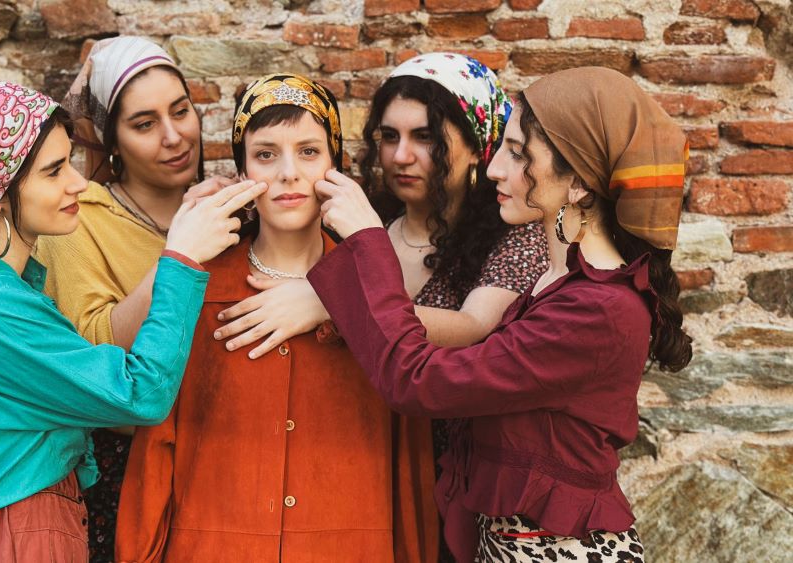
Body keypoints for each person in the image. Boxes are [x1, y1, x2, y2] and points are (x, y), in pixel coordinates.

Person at [307, 67, 692, 562]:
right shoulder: (559, 281)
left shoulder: (599, 308)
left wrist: (367, 241)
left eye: (518, 153)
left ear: (577, 183)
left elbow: (416, 380)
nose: (493, 169)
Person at [0, 81, 264, 562]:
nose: (78, 183)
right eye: (54, 171)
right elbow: (139, 395)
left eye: (71, 164)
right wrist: (181, 259)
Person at [212, 54, 548, 561]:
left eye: (425, 137)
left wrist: (331, 303)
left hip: (471, 473)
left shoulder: (513, 233)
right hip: (375, 464)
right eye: (389, 137)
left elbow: (477, 326)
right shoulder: (365, 224)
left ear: (478, 143)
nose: (401, 156)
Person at [115, 73, 437, 563]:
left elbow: (409, 458)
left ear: (335, 165)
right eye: (266, 154)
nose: (288, 172)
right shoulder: (198, 290)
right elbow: (156, 444)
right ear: (243, 171)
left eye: (308, 152)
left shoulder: (376, 291)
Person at [33, 37, 246, 560]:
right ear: (113, 140)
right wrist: (180, 253)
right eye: (144, 124)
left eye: (181, 111)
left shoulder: (231, 210)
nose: (174, 137)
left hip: (228, 463)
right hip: (130, 471)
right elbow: (95, 351)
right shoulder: (79, 218)